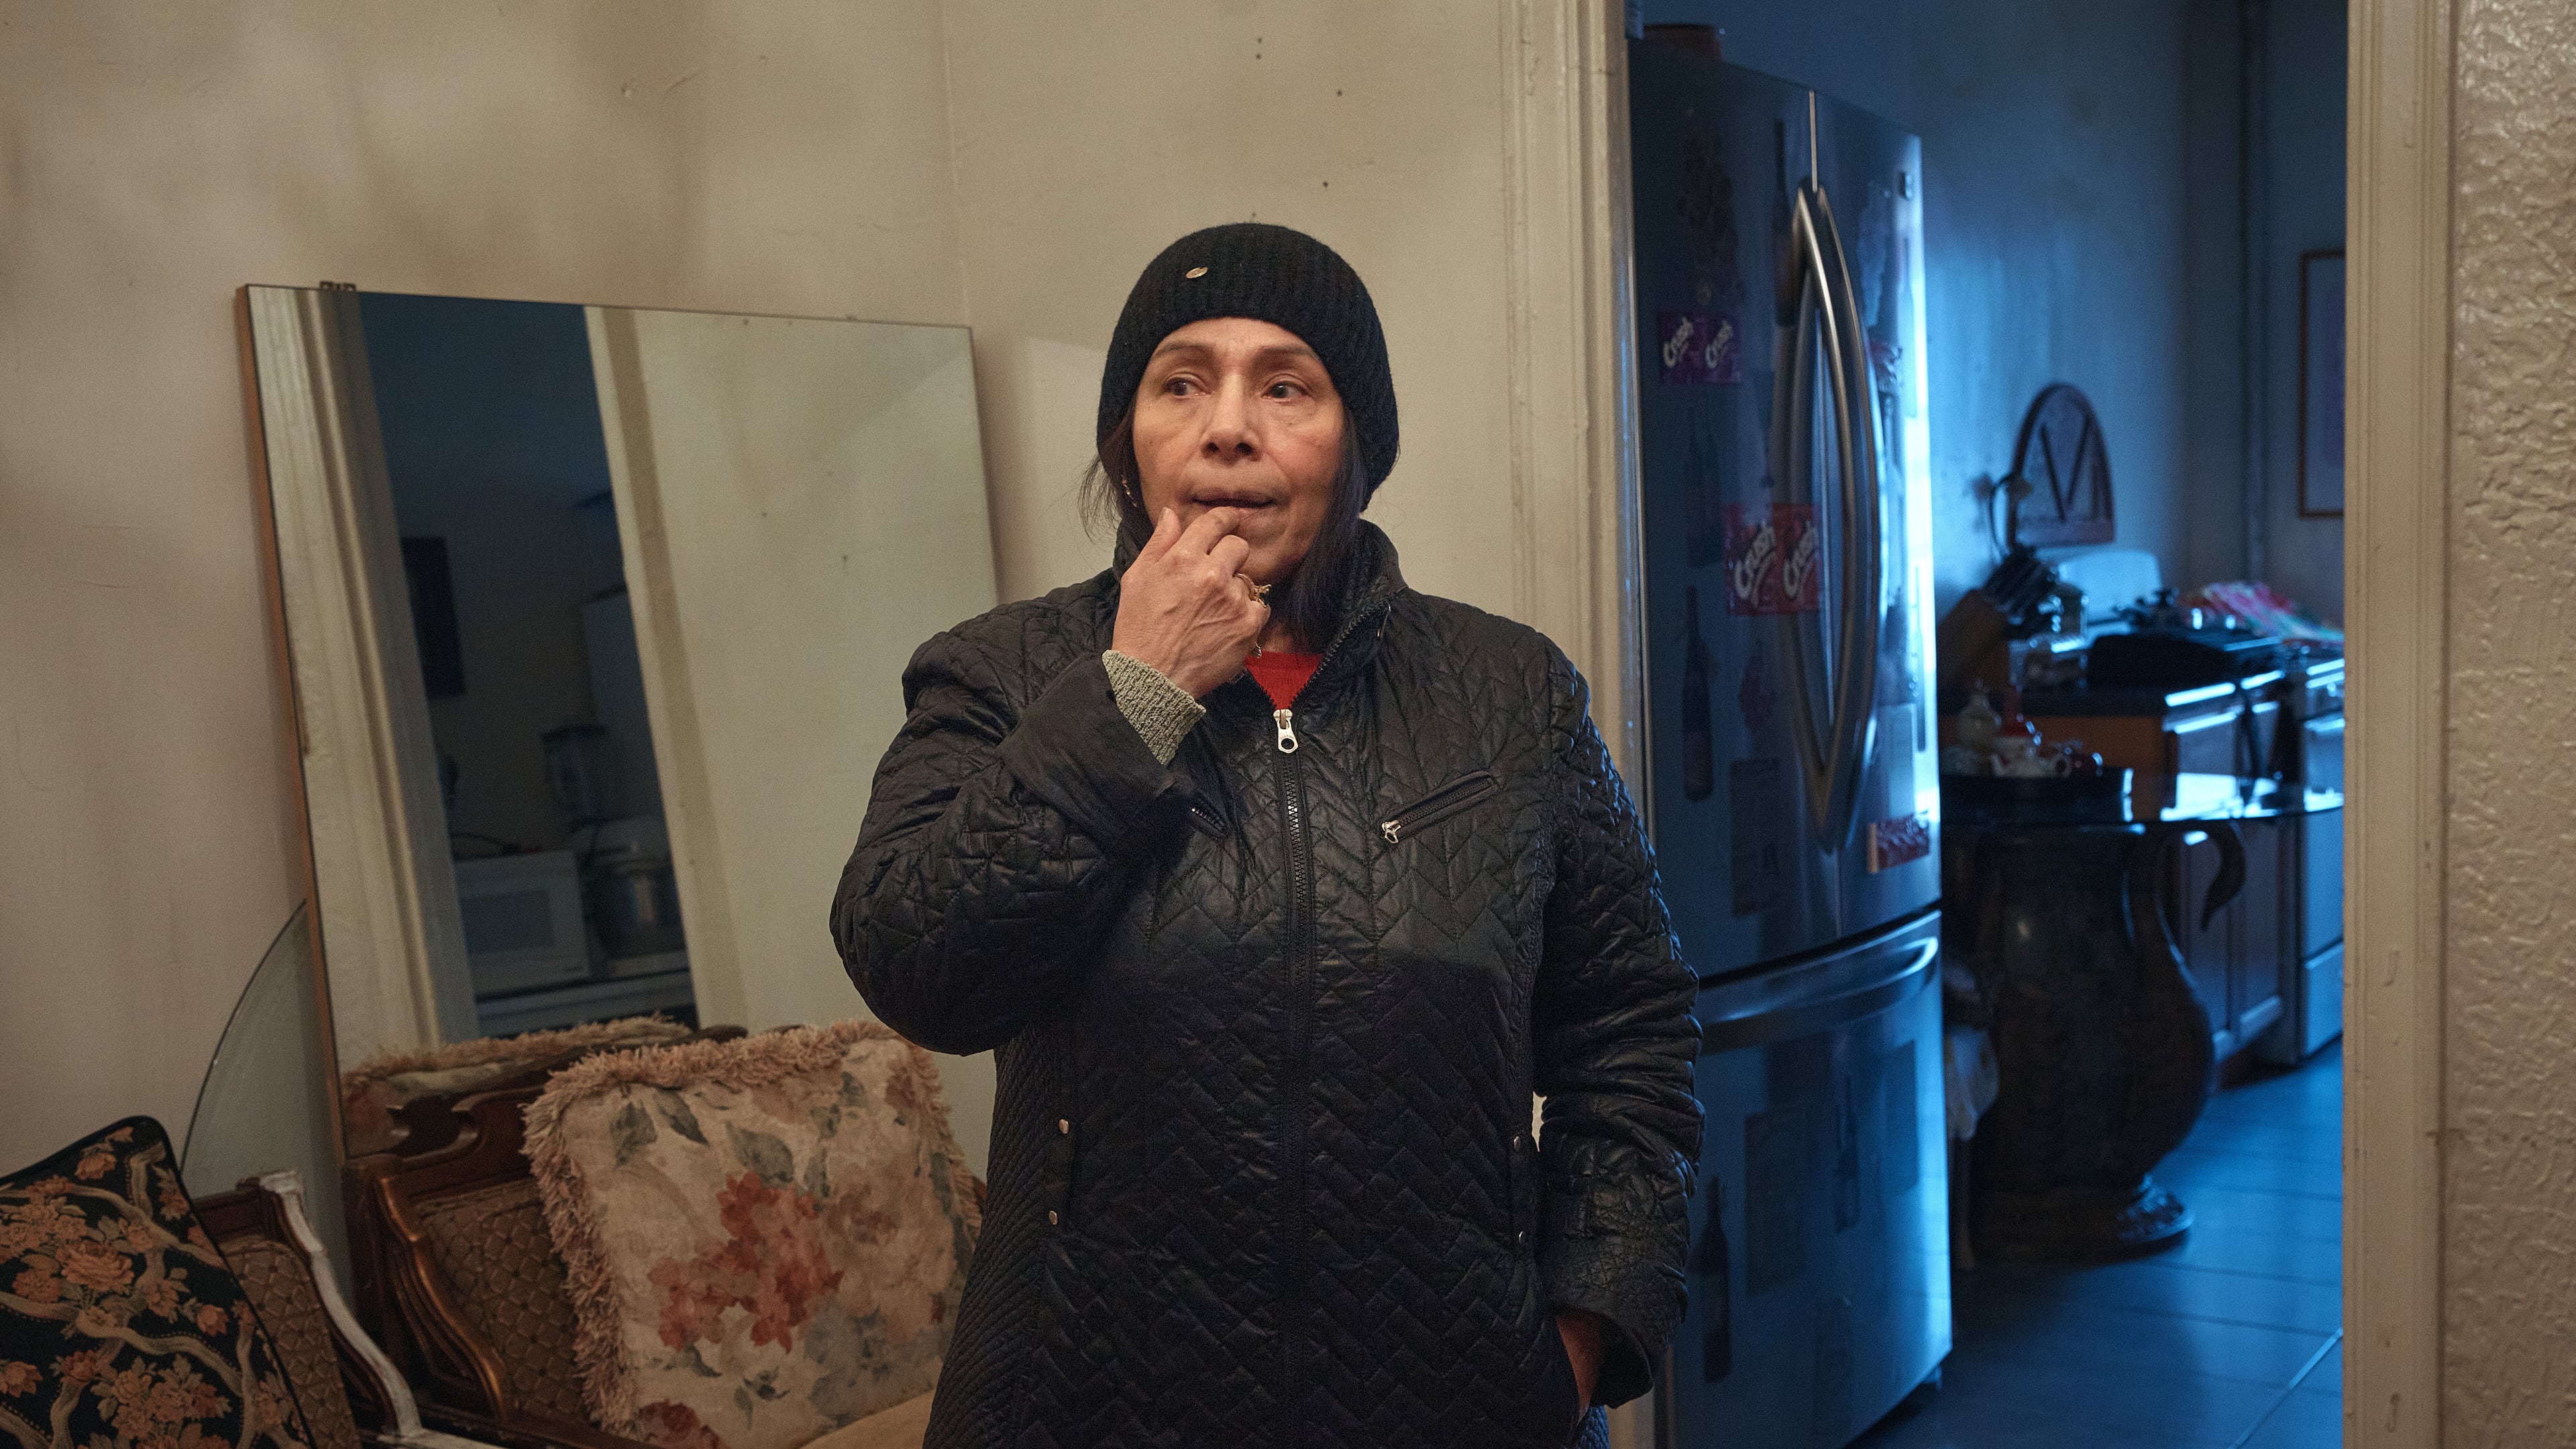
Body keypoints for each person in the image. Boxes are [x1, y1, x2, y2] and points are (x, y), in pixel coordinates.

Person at [833, 223, 1701, 1449]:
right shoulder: (1004, 673)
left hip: (1458, 1407)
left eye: (1285, 385)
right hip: (1087, 1407)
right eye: (1180, 382)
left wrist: (1582, 1334)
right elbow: (922, 967)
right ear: (1129, 444)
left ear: (1358, 446)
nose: (1227, 426)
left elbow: (1632, 1024)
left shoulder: (1510, 692)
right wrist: (1135, 691)